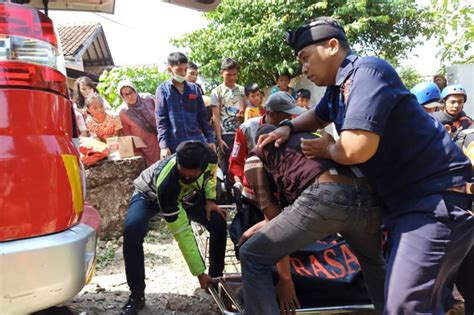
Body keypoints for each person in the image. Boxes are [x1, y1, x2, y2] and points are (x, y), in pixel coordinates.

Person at [258, 17, 474, 314]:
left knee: (405, 306)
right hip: (410, 203)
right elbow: (318, 117)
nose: (303, 69)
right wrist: (287, 127)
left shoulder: (367, 73)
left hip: (436, 199)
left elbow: (355, 149)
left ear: (333, 46)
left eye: (306, 58)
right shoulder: (337, 89)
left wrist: (327, 148)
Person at [240, 124, 385, 315]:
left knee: (252, 255)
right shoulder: (308, 139)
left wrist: (286, 280)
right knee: (374, 266)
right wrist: (259, 227)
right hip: (368, 199)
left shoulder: (256, 156)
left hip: (325, 198)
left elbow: (273, 218)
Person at [121, 141, 227, 315]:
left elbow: (210, 174)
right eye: (182, 174)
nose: (185, 177)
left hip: (187, 196)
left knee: (218, 221)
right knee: (132, 230)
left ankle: (215, 280)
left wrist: (210, 199)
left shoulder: (209, 157)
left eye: (190, 176)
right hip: (150, 195)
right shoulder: (168, 184)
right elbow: (182, 232)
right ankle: (136, 295)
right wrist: (198, 272)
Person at [228, 92, 304, 199]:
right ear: (272, 115)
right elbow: (236, 162)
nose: (291, 119)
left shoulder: (291, 128)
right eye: (287, 116)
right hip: (254, 190)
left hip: (284, 191)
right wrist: (239, 185)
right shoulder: (247, 128)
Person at [156, 52, 216, 160]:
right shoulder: (162, 90)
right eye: (179, 70)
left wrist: (210, 140)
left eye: (185, 69)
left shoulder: (194, 89)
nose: (183, 73)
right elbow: (161, 120)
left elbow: (203, 117)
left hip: (196, 141)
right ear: (170, 69)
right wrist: (163, 146)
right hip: (175, 144)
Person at [210, 57, 245, 174]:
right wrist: (219, 139)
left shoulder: (242, 90)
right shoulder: (216, 91)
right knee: (228, 167)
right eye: (228, 75)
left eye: (234, 74)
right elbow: (215, 116)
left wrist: (243, 116)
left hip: (242, 133)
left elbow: (247, 111)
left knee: (242, 165)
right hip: (226, 135)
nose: (232, 78)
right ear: (221, 73)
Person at [117, 80, 161, 166]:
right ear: (122, 96)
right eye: (126, 94)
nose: (130, 96)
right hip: (145, 146)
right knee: (152, 168)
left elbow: (161, 113)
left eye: (131, 92)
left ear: (135, 90)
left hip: (160, 139)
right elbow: (127, 133)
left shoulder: (148, 98)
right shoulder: (123, 111)